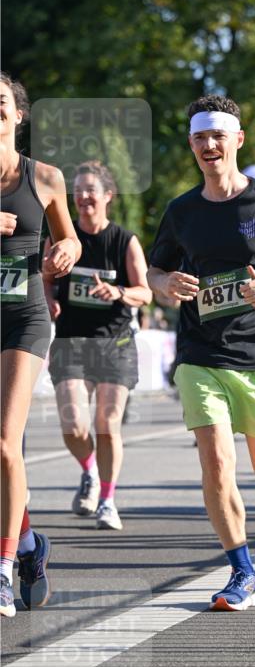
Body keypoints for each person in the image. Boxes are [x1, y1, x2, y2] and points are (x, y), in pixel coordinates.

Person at [148, 95, 255, 611]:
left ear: (237, 140)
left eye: (217, 136)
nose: (208, 146)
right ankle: (243, 572)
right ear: (191, 146)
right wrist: (166, 283)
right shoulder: (181, 212)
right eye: (199, 138)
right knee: (218, 464)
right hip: (201, 355)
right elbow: (155, 272)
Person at [1, 72, 81, 617]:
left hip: (23, 320)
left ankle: (3, 568)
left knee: (5, 442)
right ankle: (30, 544)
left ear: (18, 113)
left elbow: (68, 234)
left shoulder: (45, 177)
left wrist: (68, 249)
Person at [42, 161, 152, 530]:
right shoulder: (61, 235)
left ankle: (107, 500)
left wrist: (118, 291)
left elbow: (145, 292)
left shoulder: (124, 240)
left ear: (108, 196)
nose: (83, 196)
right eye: (78, 190)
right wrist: (48, 299)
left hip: (114, 342)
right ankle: (89, 470)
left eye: (91, 190)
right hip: (71, 340)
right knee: (73, 426)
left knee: (106, 426)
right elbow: (43, 275)